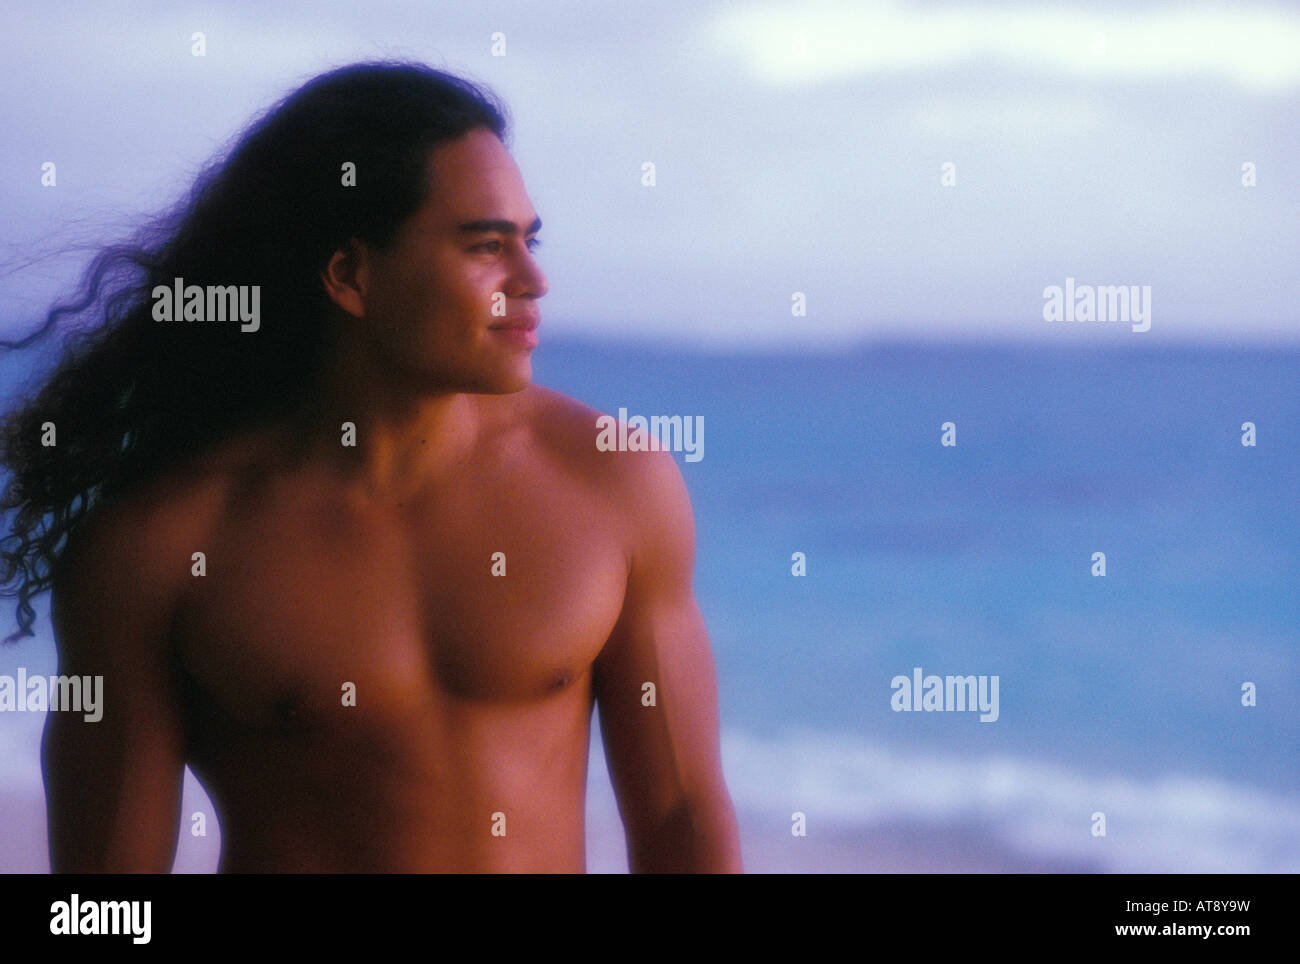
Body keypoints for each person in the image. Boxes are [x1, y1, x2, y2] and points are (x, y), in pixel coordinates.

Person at [0, 62, 741, 873]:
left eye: (528, 242)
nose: (534, 281)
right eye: (486, 246)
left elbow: (680, 816)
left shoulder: (613, 482)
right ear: (351, 275)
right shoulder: (162, 545)